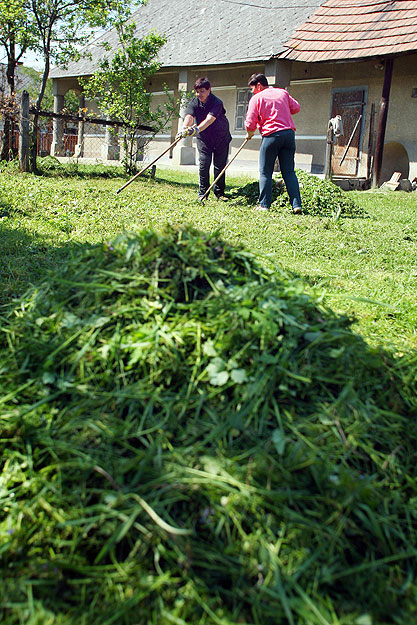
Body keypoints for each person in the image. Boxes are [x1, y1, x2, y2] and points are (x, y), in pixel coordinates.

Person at [244, 73, 302, 214]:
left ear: (259, 85)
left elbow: (250, 122)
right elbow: (296, 108)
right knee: (288, 171)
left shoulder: (256, 98)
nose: (252, 92)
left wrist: (250, 133)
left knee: (265, 171)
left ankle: (264, 205)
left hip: (271, 136)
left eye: (252, 88)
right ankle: (296, 205)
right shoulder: (282, 92)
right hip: (288, 135)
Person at [177, 77, 232, 201]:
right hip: (204, 138)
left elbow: (209, 120)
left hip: (221, 137)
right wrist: (184, 128)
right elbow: (189, 116)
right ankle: (203, 194)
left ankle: (219, 193)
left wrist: (196, 129)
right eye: (197, 91)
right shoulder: (194, 102)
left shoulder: (216, 102)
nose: (199, 94)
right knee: (204, 164)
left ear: (209, 90)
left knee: (219, 166)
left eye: (202, 91)